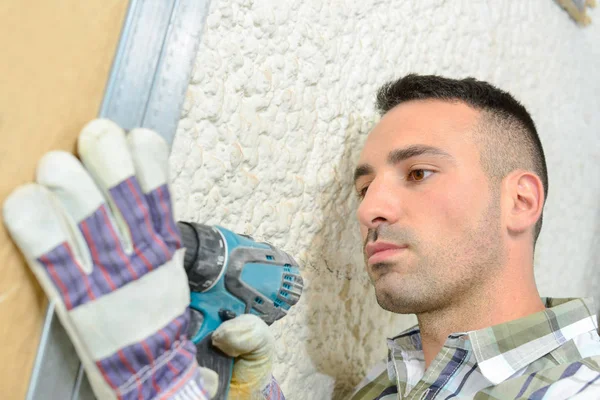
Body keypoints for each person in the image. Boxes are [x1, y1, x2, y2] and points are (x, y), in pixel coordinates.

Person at [348, 74, 600, 399]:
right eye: (365, 189)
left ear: (520, 202)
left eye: (418, 173)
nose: (368, 210)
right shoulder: (377, 387)